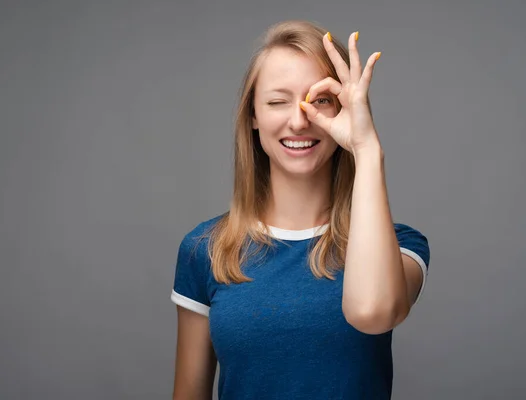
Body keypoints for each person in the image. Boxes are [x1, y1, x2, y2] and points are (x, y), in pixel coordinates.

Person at [170, 20, 430, 400]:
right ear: (253, 117)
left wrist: (367, 150)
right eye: (277, 101)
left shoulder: (399, 246)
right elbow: (188, 394)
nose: (298, 120)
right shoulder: (206, 248)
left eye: (320, 100)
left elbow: (372, 313)